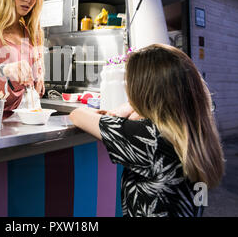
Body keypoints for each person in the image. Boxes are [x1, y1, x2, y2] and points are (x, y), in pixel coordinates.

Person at [69, 44, 225, 217]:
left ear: (142, 91)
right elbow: (200, 199)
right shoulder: (196, 131)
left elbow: (77, 115)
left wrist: (122, 111)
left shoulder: (148, 137)